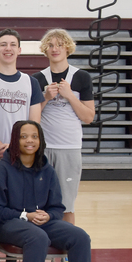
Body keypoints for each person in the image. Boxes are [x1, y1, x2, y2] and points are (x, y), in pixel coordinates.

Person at [0, 121, 96, 262]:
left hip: (42, 222)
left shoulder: (47, 170)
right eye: (24, 136)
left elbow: (57, 207)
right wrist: (25, 215)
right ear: (15, 140)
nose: (30, 140)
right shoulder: (2, 169)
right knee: (37, 238)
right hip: (10, 223)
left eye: (34, 136)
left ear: (40, 140)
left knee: (80, 237)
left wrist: (48, 216)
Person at [34, 29, 95, 225]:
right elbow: (30, 117)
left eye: (59, 44)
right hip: (42, 148)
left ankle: (67, 251)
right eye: (50, 45)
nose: (55, 49)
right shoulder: (38, 79)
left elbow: (88, 117)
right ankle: (42, 247)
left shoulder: (81, 77)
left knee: (67, 204)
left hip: (69, 147)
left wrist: (69, 96)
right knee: (39, 203)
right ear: (45, 50)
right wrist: (45, 98)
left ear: (67, 48)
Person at [0, 29, 44, 183]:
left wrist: (14, 148)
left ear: (19, 50)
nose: (8, 48)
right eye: (3, 45)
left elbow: (34, 124)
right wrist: (0, 146)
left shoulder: (31, 82)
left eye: (13, 45)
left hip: (21, 156)